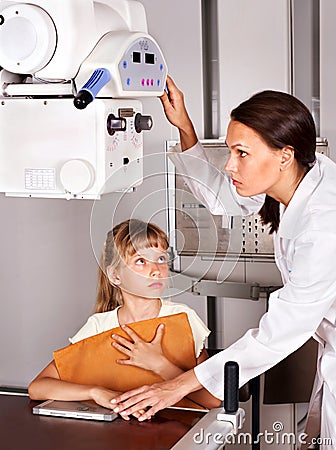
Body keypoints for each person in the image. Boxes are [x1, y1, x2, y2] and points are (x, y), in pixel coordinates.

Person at [111, 77, 336, 448]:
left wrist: (174, 387)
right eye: (231, 151)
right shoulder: (304, 171)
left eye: (241, 153)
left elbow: (275, 336)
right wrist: (183, 123)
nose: (230, 166)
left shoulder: (324, 226)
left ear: (284, 154)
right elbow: (222, 198)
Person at [28, 218, 220, 415]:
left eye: (161, 259)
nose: (156, 270)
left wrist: (159, 364)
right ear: (115, 276)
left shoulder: (183, 317)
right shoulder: (98, 326)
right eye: (141, 261)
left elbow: (211, 399)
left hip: (178, 431)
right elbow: (38, 388)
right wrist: (96, 392)